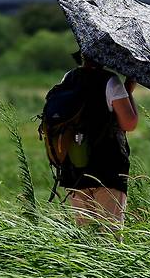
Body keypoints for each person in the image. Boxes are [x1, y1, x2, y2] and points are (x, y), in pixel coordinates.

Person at [58, 52, 138, 225]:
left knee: (85, 235)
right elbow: (129, 123)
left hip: (74, 166)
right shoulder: (110, 81)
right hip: (107, 169)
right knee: (110, 235)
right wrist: (128, 91)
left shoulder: (68, 79)